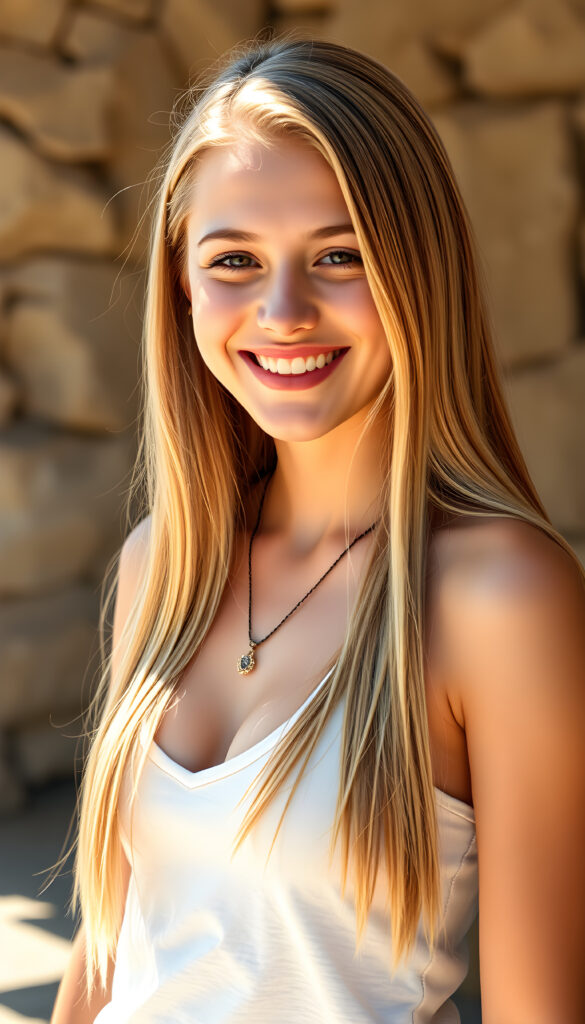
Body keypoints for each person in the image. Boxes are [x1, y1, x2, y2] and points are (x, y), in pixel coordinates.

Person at [50, 36, 585, 1024]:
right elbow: (113, 953)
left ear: (415, 271)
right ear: (183, 285)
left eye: (338, 255)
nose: (283, 311)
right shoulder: (160, 565)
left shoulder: (498, 594)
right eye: (234, 261)